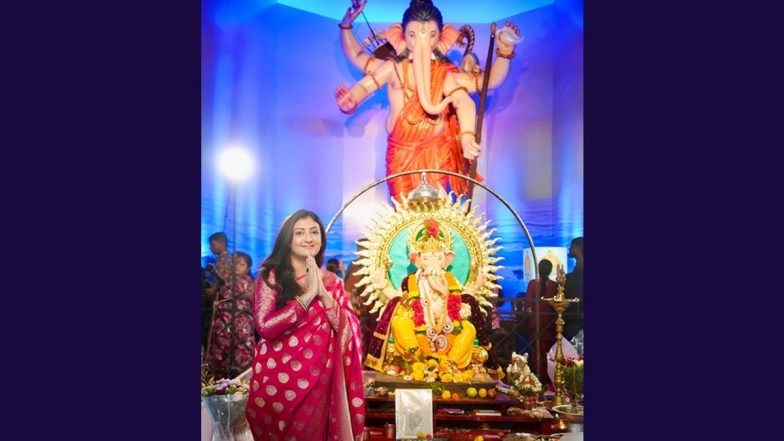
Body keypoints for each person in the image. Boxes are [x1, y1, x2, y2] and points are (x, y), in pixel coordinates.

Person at [336, 0, 521, 201]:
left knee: (433, 211)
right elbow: (364, 80)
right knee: (403, 211)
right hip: (400, 153)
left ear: (441, 38)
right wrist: (352, 98)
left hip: (435, 152)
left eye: (431, 35)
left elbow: (475, 93)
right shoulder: (393, 68)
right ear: (401, 36)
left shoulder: (443, 74)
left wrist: (467, 136)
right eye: (413, 35)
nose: (421, 42)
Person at [245, 209, 365, 441]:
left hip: (318, 382)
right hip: (277, 379)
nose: (308, 238)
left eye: (314, 232)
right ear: (287, 239)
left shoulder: (331, 282)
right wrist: (308, 295)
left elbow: (350, 330)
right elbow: (265, 327)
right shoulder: (272, 276)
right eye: (300, 233)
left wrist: (324, 295)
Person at [364, 217, 493, 373]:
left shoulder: (450, 280)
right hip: (419, 327)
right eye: (426, 258)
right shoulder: (412, 280)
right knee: (399, 323)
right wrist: (383, 285)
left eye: (438, 257)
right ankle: (417, 361)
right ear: (417, 260)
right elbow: (398, 298)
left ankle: (450, 365)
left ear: (446, 260)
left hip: (448, 325)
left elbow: (463, 297)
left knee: (469, 329)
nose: (433, 262)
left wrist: (477, 285)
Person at [203, 251, 257, 380]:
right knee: (221, 351)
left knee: (242, 350)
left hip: (242, 323)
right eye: (235, 263)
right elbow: (213, 292)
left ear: (247, 268)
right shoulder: (225, 279)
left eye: (241, 264)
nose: (237, 266)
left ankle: (242, 382)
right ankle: (219, 382)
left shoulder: (249, 282)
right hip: (223, 322)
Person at [523, 258, 557, 382]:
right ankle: (548, 377)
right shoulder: (554, 285)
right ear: (550, 270)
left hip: (536, 322)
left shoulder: (532, 284)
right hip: (549, 323)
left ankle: (537, 376)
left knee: (536, 350)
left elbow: (527, 304)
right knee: (548, 351)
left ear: (538, 269)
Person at [564, 237, 584, 340]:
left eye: (571, 247)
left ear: (576, 248)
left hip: (575, 319)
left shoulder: (572, 277)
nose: (569, 249)